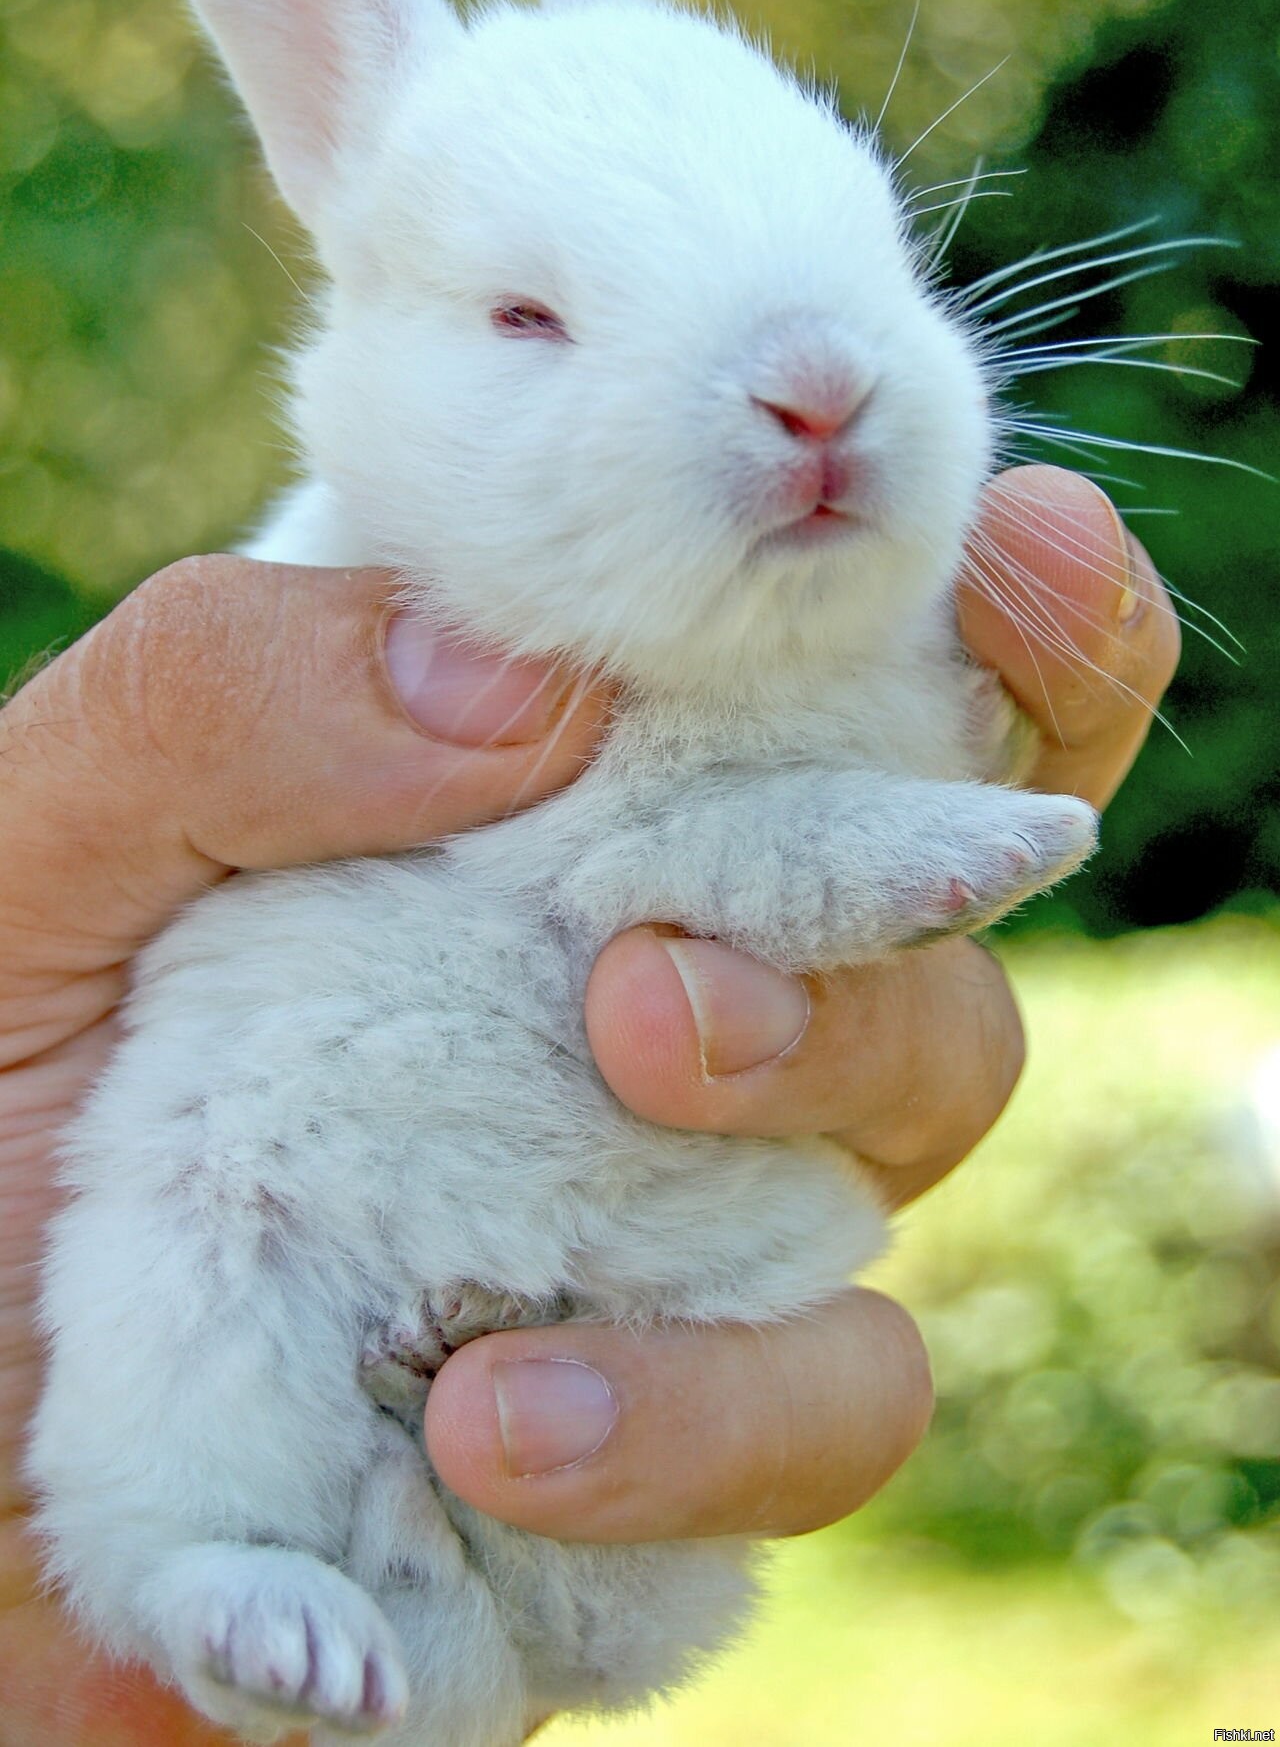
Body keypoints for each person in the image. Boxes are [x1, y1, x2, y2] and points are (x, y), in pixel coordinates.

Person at [0, 463, 1179, 1745]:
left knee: (566, 1581)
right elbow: (642, 850)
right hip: (296, 1182)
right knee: (197, 1282)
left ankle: (424, 1617)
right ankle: (223, 1567)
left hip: (587, 1272)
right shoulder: (444, 618)